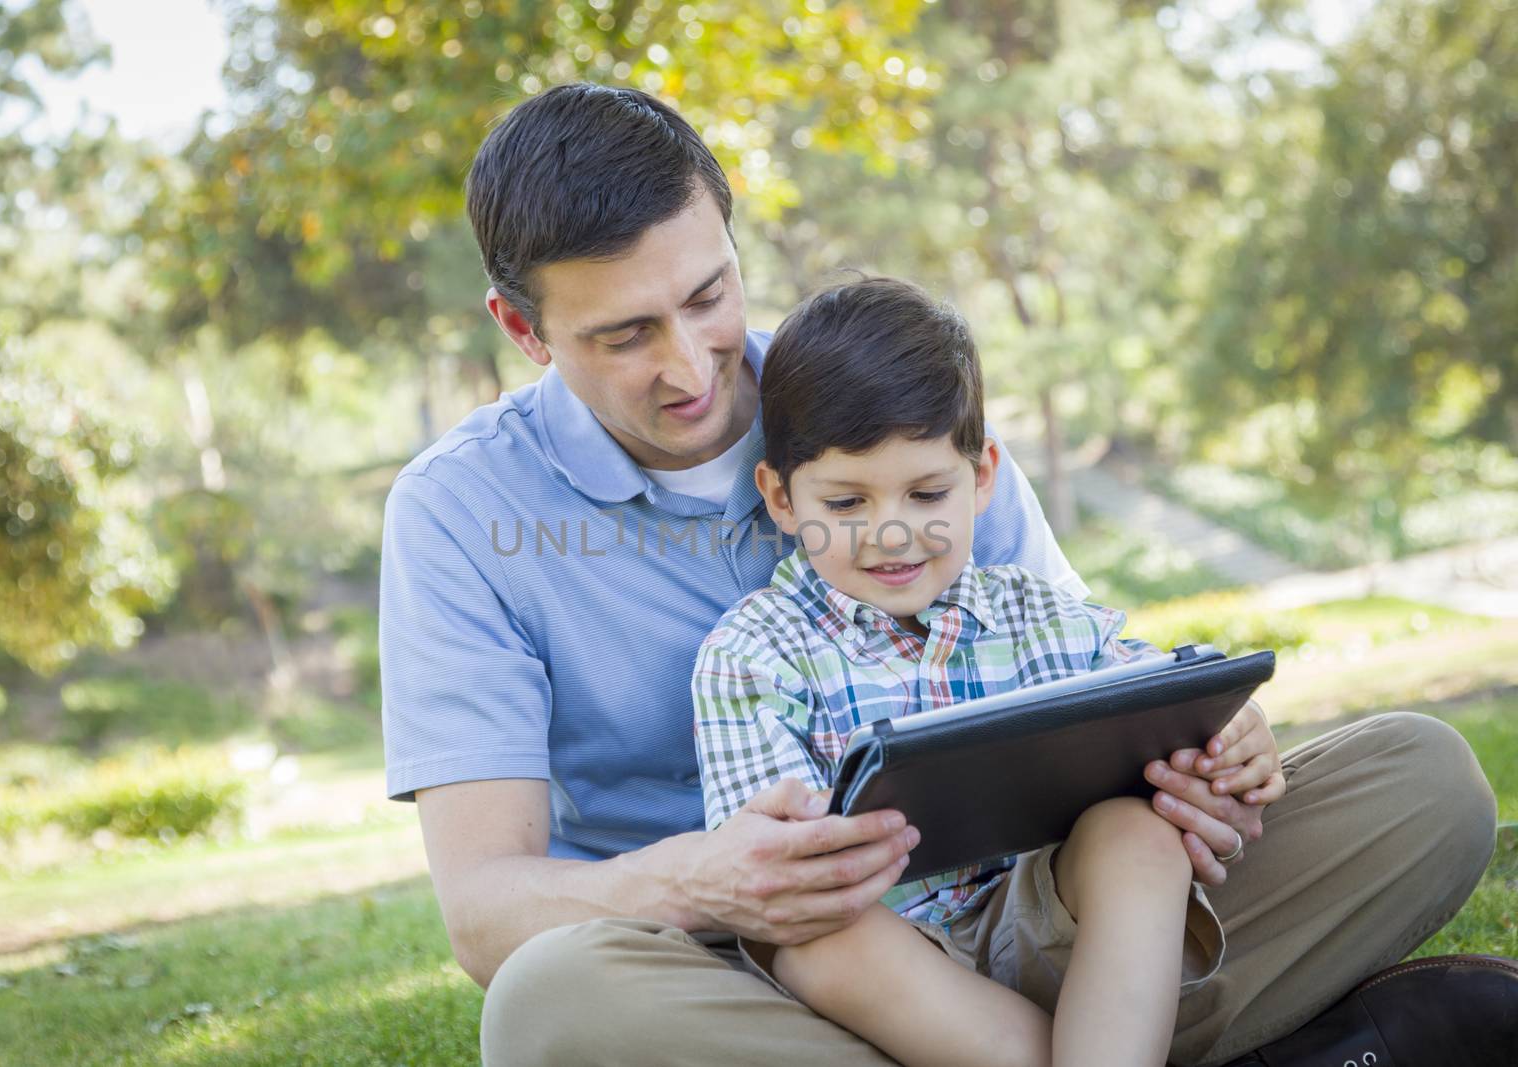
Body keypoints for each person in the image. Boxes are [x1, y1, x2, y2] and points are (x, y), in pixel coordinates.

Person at [378, 82, 1502, 1066]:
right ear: (523, 331)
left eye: (708, 294)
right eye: (624, 334)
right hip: (766, 975)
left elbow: (1082, 686)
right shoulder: (459, 512)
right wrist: (713, 882)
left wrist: (1197, 767)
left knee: (1425, 781)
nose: (689, 364)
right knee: (550, 1005)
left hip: (1043, 908)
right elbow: (484, 913)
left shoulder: (885, 400)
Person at [692, 275, 1245, 1066]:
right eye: (846, 504)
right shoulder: (751, 653)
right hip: (889, 964)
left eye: (926, 493)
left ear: (982, 476)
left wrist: (1230, 741)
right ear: (781, 498)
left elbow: (1161, 702)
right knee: (812, 934)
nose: (891, 532)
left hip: (1046, 919)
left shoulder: (1038, 613)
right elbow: (774, 873)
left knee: (1138, 834)